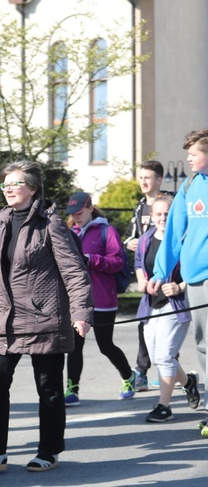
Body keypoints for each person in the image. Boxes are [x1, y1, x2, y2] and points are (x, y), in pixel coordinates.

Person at [0, 160, 93, 474]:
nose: (7, 189)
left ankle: (48, 451)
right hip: (2, 319)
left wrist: (81, 312)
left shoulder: (51, 224)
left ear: (33, 188)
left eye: (15, 183)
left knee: (48, 387)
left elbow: (75, 272)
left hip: (43, 318)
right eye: (4, 184)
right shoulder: (3, 222)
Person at [148, 128, 208, 435]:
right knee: (203, 346)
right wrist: (161, 271)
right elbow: (172, 234)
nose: (188, 158)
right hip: (195, 279)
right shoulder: (189, 186)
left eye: (194, 153)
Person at [64, 191, 137, 405]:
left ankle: (128, 377)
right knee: (75, 345)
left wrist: (91, 259)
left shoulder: (107, 230)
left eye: (79, 212)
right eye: (72, 214)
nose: (76, 217)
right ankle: (72, 388)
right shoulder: (70, 232)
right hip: (77, 301)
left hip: (103, 299)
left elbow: (117, 262)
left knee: (105, 345)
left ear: (89, 207)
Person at [134, 195, 200, 422]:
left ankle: (164, 406)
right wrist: (141, 279)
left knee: (164, 356)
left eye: (167, 214)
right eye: (158, 214)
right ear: (151, 217)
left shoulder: (185, 240)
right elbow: (138, 264)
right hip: (150, 305)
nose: (163, 218)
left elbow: (197, 270)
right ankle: (188, 382)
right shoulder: (145, 240)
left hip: (176, 305)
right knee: (157, 356)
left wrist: (179, 286)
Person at [124, 160, 172, 392]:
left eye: (148, 177)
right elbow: (130, 236)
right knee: (145, 323)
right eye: (141, 177)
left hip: (168, 275)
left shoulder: (171, 203)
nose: (143, 181)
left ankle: (168, 369)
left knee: (168, 324)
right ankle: (142, 371)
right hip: (145, 271)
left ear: (159, 180)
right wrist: (130, 243)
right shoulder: (140, 206)